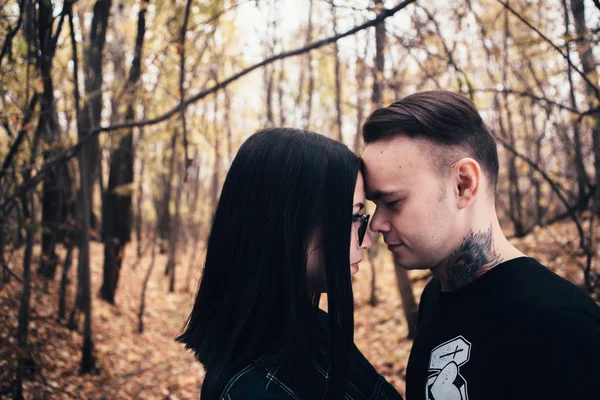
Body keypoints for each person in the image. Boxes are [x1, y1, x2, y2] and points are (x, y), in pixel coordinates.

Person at [360, 90, 600, 400]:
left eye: (392, 201)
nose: (377, 223)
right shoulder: (436, 296)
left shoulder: (563, 325)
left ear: (463, 184)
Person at [177, 128, 403, 400]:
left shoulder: (314, 329)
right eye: (353, 217)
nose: (366, 239)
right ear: (288, 226)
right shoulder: (248, 391)